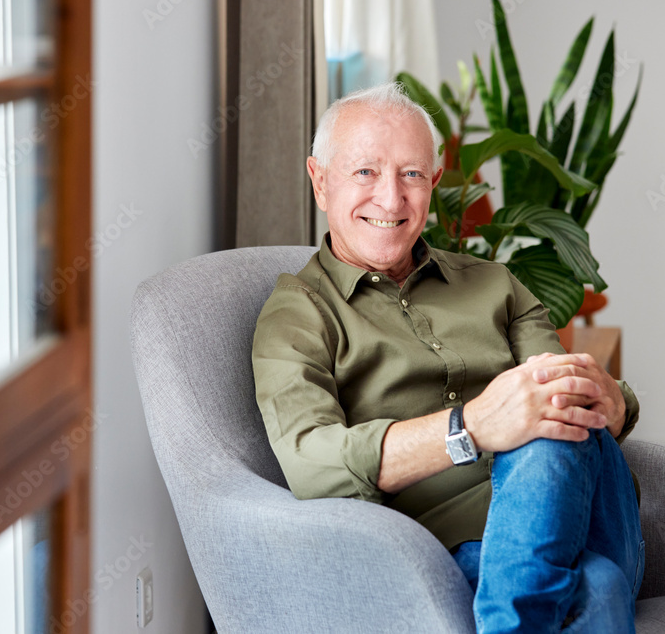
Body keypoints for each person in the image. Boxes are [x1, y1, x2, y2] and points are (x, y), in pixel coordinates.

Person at [251, 82, 644, 633]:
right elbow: (312, 462)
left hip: (583, 510)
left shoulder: (495, 284)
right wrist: (472, 428)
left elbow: (564, 404)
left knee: (548, 417)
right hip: (450, 549)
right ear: (320, 181)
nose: (391, 199)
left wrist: (616, 403)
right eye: (365, 171)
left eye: (411, 174)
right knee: (598, 587)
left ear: (434, 182)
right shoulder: (298, 313)